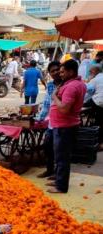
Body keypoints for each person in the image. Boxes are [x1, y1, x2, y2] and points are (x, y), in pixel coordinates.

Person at [48, 60, 86, 194]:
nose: (60, 74)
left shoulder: (71, 87)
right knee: (60, 157)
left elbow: (64, 109)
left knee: (62, 157)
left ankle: (61, 186)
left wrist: (54, 97)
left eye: (63, 72)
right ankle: (59, 179)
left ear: (71, 72)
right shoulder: (75, 83)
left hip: (64, 126)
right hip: (64, 125)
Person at [36, 61, 62, 179]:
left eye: (57, 69)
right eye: (53, 71)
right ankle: (50, 170)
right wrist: (40, 118)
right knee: (47, 145)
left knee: (60, 149)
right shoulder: (51, 85)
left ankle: (59, 173)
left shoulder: (67, 83)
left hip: (63, 122)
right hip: (52, 121)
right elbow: (47, 103)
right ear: (50, 74)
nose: (55, 72)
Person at [84, 64, 103, 148]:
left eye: (90, 71)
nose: (89, 73)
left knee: (98, 122)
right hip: (99, 102)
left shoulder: (94, 80)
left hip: (99, 102)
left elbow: (86, 93)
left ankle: (99, 142)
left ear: (95, 71)